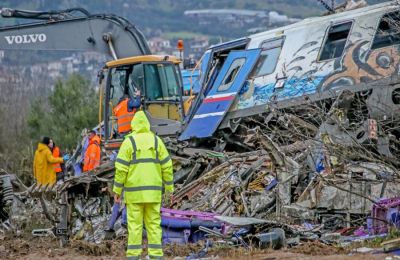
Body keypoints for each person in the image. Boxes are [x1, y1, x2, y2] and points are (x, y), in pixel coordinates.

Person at [113, 111, 173, 259]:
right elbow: (167, 166)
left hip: (134, 195)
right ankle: (156, 255)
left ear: (133, 124)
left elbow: (121, 169)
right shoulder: (157, 141)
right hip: (153, 194)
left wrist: (117, 190)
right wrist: (169, 189)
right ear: (147, 124)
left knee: (135, 226)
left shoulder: (129, 142)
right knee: (154, 225)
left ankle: (134, 255)